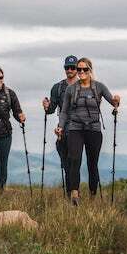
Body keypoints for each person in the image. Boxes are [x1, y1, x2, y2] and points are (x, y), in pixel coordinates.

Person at [55, 57, 120, 205]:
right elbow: (64, 111)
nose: (81, 72)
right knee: (74, 160)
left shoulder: (99, 87)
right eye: (79, 69)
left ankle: (92, 194)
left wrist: (117, 101)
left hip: (94, 129)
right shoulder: (71, 89)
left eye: (85, 69)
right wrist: (60, 126)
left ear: (90, 70)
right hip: (75, 128)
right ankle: (74, 193)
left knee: (92, 163)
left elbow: (113, 102)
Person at [43, 55, 78, 192]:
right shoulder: (57, 88)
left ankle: (74, 191)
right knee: (67, 163)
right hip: (63, 129)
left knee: (75, 162)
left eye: (72, 67)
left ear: (77, 69)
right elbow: (51, 110)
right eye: (67, 67)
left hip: (79, 128)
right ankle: (71, 193)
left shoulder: (83, 85)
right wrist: (47, 106)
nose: (69, 70)